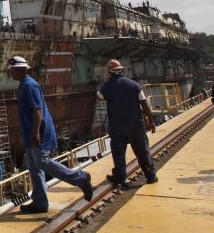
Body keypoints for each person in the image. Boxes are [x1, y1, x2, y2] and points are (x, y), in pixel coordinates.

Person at [9, 56, 93, 213]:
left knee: (42, 162)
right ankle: (40, 202)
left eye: (13, 70)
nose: (11, 72)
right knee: (34, 167)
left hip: (40, 134)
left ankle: (81, 179)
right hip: (30, 135)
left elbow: (37, 111)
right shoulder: (23, 85)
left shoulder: (29, 85)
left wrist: (35, 132)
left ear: (21, 70)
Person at [97, 59, 157, 187]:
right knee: (142, 150)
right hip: (136, 125)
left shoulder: (107, 87)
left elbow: (100, 96)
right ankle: (151, 175)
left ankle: (120, 176)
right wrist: (151, 121)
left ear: (109, 71)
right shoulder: (134, 85)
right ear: (121, 70)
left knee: (118, 152)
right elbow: (145, 104)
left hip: (117, 126)